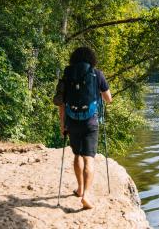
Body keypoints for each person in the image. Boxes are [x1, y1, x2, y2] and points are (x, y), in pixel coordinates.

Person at [56, 47, 112, 210]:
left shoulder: (67, 75)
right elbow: (109, 99)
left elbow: (61, 102)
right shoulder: (97, 74)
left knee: (77, 155)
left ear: (73, 59)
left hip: (72, 121)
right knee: (89, 158)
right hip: (90, 122)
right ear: (91, 59)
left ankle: (79, 189)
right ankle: (86, 195)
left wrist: (63, 124)